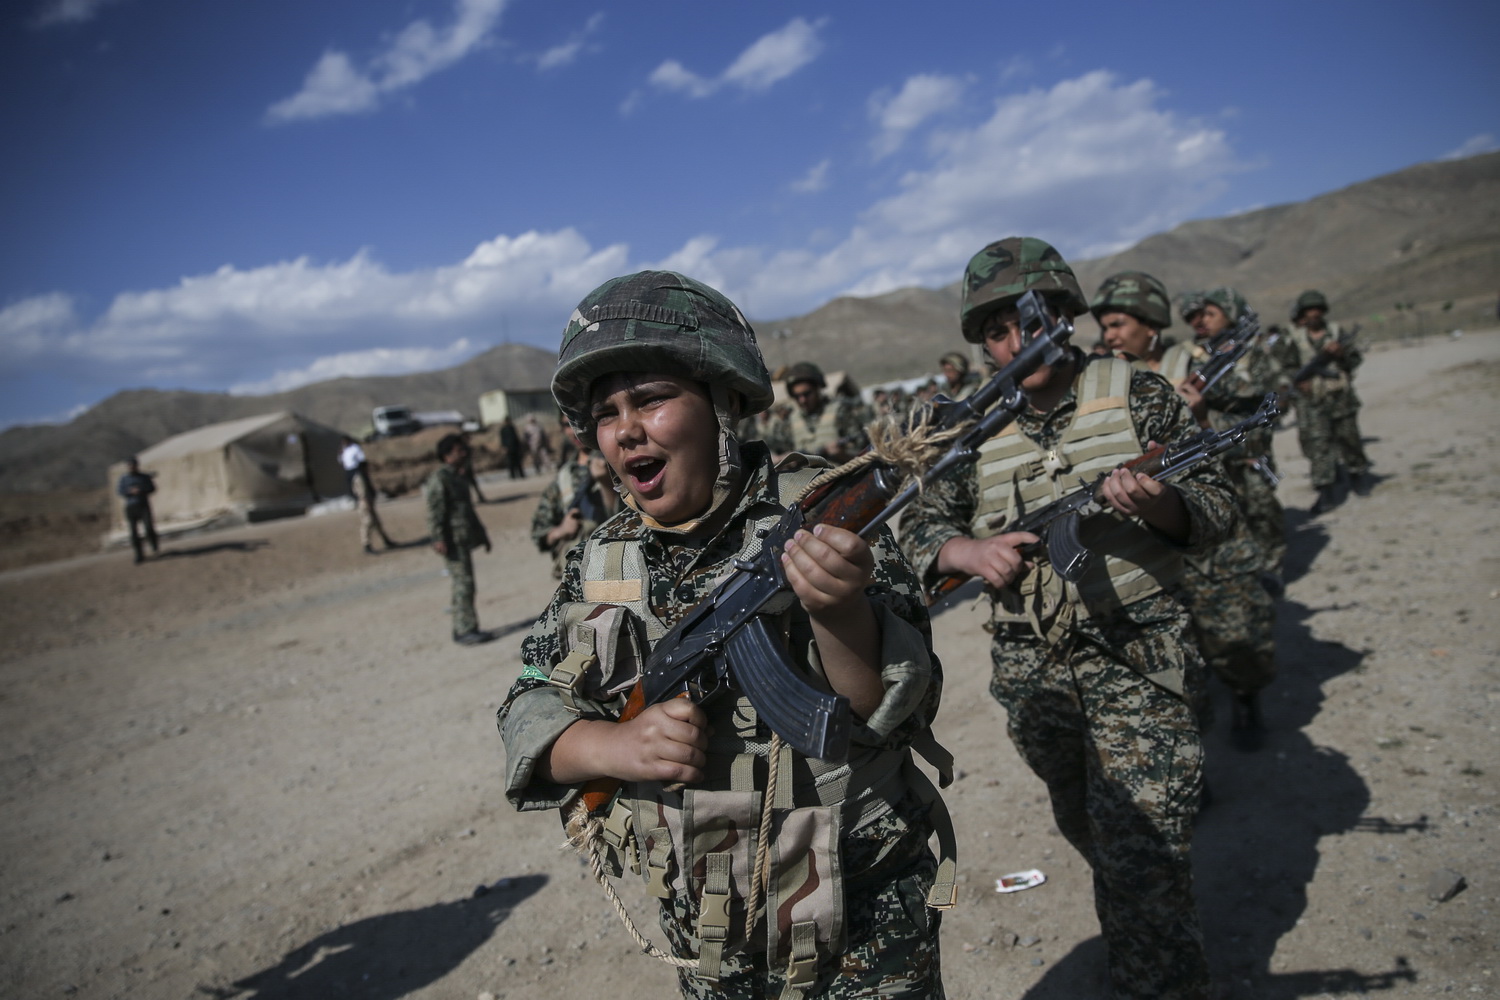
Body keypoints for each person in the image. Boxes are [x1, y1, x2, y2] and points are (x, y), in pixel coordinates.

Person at [499, 271, 949, 998]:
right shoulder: (601, 558)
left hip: (860, 917)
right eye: (605, 413)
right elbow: (527, 699)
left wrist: (838, 614)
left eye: (651, 398)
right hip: (707, 930)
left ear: (724, 403)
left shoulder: (820, 515)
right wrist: (613, 746)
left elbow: (889, 713)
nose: (627, 430)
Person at [901, 238, 1237, 1000]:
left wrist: (1164, 504)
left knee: (1141, 860)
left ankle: (1161, 978)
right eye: (997, 330)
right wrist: (966, 549)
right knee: (1088, 825)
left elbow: (1219, 509)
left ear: (1068, 318)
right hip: (1032, 674)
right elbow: (918, 530)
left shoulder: (1139, 396)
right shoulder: (969, 432)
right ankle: (1141, 919)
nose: (1020, 341)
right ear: (981, 343)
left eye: (1037, 318)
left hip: (1139, 659)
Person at [1094, 278, 1279, 749]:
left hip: (1212, 527)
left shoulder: (1200, 367)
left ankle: (1246, 697)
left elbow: (1257, 436)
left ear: (1151, 326)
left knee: (1235, 635)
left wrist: (1202, 421)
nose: (1109, 334)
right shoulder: (1100, 388)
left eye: (1118, 324)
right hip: (1146, 546)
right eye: (1102, 326)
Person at [1179, 288, 1287, 583]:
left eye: (1211, 314)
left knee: (1263, 511)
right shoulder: (1199, 355)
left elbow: (1267, 392)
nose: (1203, 321)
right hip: (1216, 443)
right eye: (1200, 315)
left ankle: (1273, 565)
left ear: (1232, 316)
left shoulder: (1253, 354)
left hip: (1250, 443)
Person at [1272, 289, 1371, 514]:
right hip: (1309, 401)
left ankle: (1357, 473)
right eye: (1309, 311)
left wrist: (1340, 354)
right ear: (1302, 314)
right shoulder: (1292, 339)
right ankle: (1325, 491)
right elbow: (1279, 367)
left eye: (1317, 310)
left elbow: (1354, 361)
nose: (1313, 314)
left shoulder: (1336, 333)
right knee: (1317, 445)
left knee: (1349, 438)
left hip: (1339, 397)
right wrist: (1295, 382)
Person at [424, 434, 494, 645]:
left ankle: (462, 627)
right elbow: (435, 512)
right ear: (447, 456)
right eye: (458, 451)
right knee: (463, 584)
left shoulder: (458, 476)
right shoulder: (441, 479)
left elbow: (467, 510)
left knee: (464, 584)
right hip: (451, 541)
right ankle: (466, 630)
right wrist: (438, 538)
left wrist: (482, 535)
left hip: (462, 538)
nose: (464, 453)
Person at [529, 424, 620, 577]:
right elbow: (539, 532)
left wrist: (605, 484)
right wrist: (560, 531)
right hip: (581, 574)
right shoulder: (564, 477)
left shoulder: (618, 461)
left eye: (580, 420)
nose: (575, 429)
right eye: (567, 424)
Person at [764, 362, 873, 463]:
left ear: (818, 389)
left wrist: (840, 454)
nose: (802, 400)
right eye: (797, 396)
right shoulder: (791, 420)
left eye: (807, 394)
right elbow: (778, 447)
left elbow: (861, 455)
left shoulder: (839, 411)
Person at [340, 435, 395, 554]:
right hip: (364, 502)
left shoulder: (351, 454)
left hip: (365, 499)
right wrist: (366, 502)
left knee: (376, 521)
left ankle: (386, 540)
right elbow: (362, 493)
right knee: (368, 521)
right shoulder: (359, 476)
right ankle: (366, 544)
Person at [116, 457, 159, 564]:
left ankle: (154, 544)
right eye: (129, 465)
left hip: (143, 505)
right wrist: (130, 492)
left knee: (149, 527)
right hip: (131, 507)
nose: (132, 467)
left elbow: (152, 488)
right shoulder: (124, 479)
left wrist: (141, 490)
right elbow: (120, 491)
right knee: (134, 532)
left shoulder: (143, 477)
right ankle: (139, 555)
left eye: (133, 465)